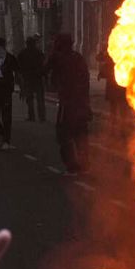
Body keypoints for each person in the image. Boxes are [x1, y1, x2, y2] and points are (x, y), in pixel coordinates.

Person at [50, 33, 91, 175]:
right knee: (80, 135)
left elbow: (45, 71)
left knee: (63, 135)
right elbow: (86, 82)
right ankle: (84, 165)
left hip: (68, 104)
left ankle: (72, 166)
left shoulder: (58, 58)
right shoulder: (79, 58)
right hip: (81, 103)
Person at [17, 35, 46, 123]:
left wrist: (20, 80)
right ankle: (41, 117)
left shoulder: (22, 53)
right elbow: (43, 65)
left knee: (29, 99)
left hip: (28, 78)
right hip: (37, 77)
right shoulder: (39, 52)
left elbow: (19, 68)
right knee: (40, 98)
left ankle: (32, 116)